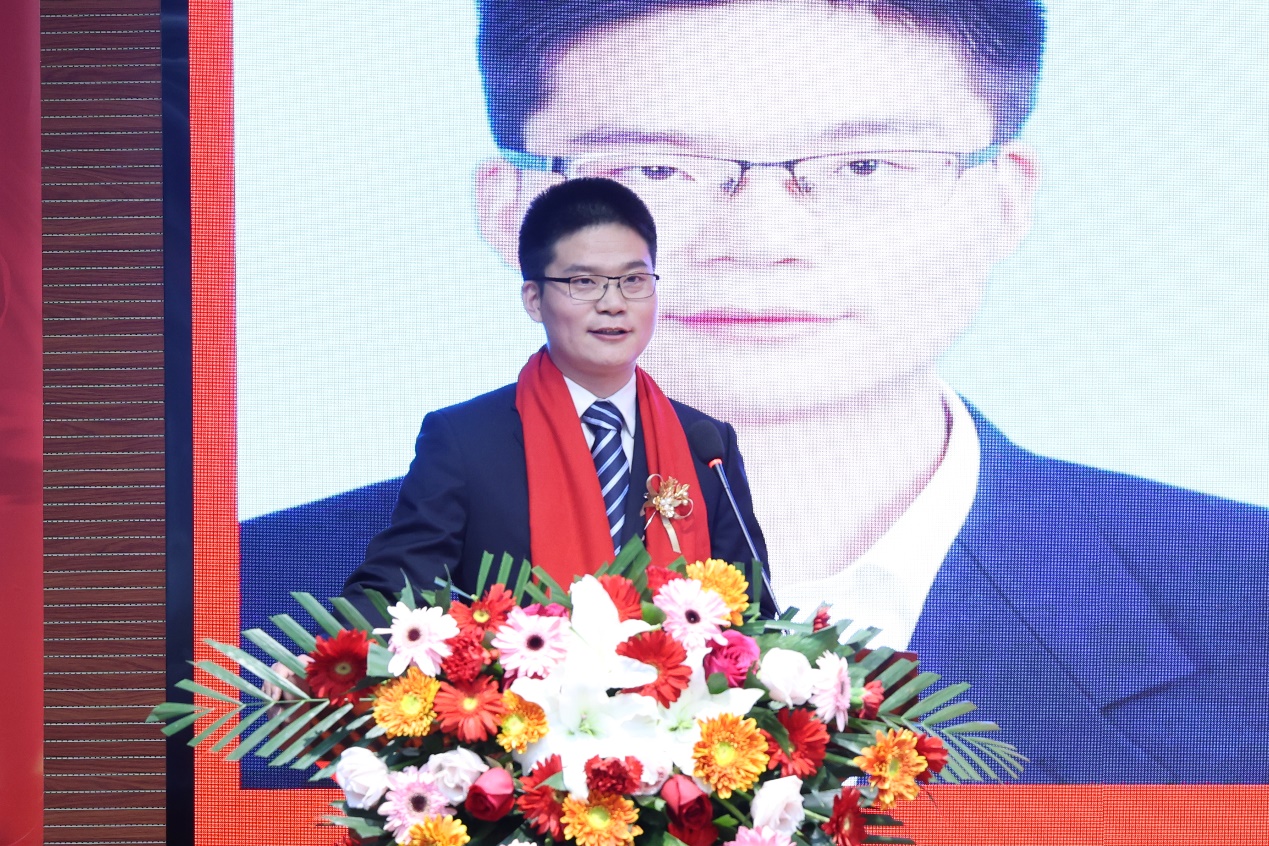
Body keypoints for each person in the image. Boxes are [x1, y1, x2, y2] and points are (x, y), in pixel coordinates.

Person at [243, 0, 1269, 785]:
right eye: (654, 169)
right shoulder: (244, 610)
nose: (761, 241)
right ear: (510, 208)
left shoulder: (1245, 604)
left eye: (866, 165)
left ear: (1005, 201)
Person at [340, 176, 771, 612]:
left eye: (633, 280)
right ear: (534, 299)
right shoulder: (465, 441)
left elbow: (754, 610)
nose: (613, 303)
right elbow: (388, 598)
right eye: (584, 282)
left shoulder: (706, 445)